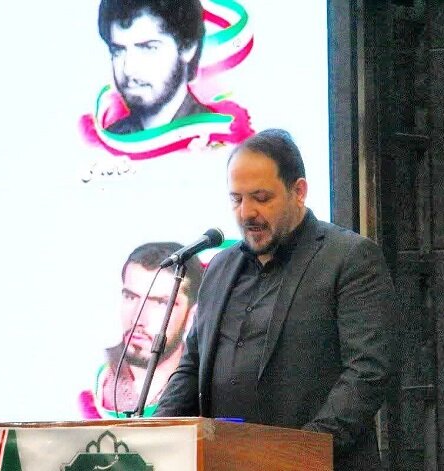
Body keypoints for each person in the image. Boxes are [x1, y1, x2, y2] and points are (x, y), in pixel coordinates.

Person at [154, 129, 396, 470]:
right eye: (236, 199)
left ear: (299, 192)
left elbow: (367, 372)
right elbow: (192, 367)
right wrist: (152, 437)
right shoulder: (220, 267)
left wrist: (298, 453)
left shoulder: (349, 258)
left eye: (261, 197)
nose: (246, 212)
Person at [79, 242, 203, 418]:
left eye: (161, 303)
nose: (138, 318)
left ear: (192, 314)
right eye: (130, 297)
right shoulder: (92, 379)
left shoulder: (204, 390)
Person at [97, 0, 211, 134]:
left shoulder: (216, 136)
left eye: (148, 48)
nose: (128, 69)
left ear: (187, 48)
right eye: (118, 51)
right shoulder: (110, 138)